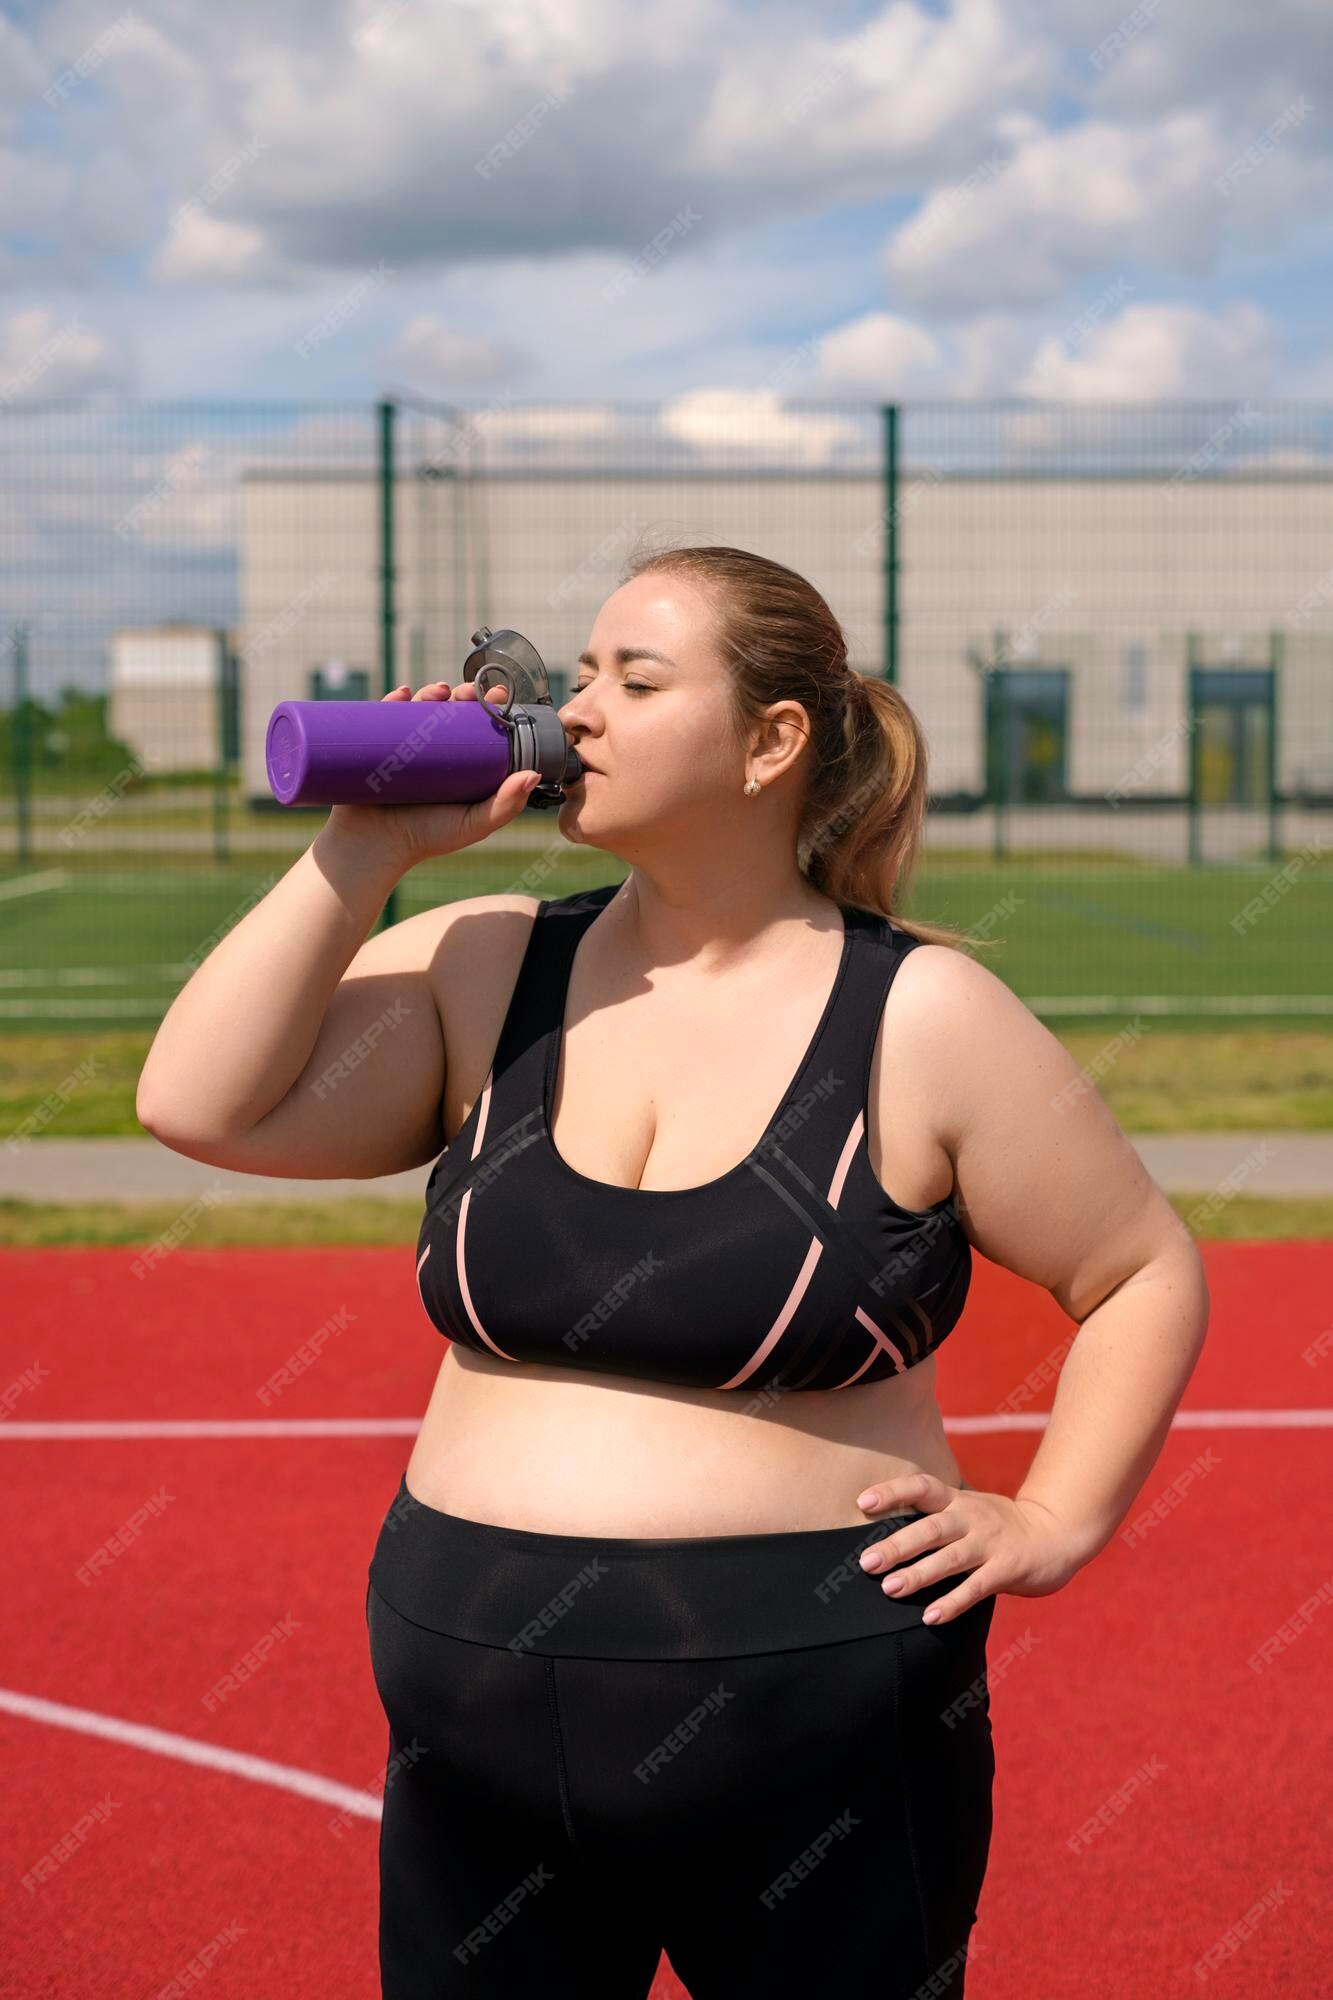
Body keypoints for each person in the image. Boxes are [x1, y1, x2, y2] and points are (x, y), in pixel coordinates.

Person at [137, 542, 1210, 1998]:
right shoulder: (486, 965)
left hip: (810, 1724)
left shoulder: (922, 1014)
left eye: (634, 681)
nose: (578, 711)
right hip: (472, 1723)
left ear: (771, 743)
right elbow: (201, 1105)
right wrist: (363, 853)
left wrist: (1055, 1520)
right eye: (577, 675)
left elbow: (1139, 1270)